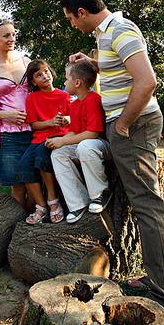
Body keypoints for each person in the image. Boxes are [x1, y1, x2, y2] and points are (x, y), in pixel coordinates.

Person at [60, 0, 164, 317]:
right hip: (128, 126)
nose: (73, 24)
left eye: (71, 18)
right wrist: (92, 62)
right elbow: (117, 67)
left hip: (134, 125)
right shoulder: (105, 36)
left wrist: (123, 125)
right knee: (148, 205)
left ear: (82, 12)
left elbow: (146, 81)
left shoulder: (120, 28)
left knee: (147, 207)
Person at [0, 16, 33, 211]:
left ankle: (36, 226)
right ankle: (17, 230)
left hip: (34, 131)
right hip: (8, 137)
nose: (11, 39)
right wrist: (7, 115)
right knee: (17, 188)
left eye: (13, 35)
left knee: (36, 185)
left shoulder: (27, 63)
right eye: (6, 35)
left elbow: (44, 89)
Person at [46, 60, 111, 224]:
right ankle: (78, 203)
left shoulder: (94, 99)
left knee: (85, 146)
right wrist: (59, 141)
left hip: (100, 145)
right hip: (85, 144)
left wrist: (63, 141)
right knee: (58, 154)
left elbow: (92, 134)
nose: (64, 81)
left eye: (67, 78)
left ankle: (100, 194)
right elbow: (74, 131)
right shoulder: (74, 104)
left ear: (77, 82)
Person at [18, 59, 70, 224]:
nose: (45, 76)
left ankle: (53, 202)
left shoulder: (64, 96)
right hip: (39, 138)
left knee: (42, 155)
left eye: (46, 71)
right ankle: (41, 206)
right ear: (33, 81)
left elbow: (73, 118)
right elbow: (34, 125)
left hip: (60, 137)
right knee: (24, 166)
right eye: (39, 75)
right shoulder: (32, 98)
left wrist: (66, 119)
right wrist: (50, 122)